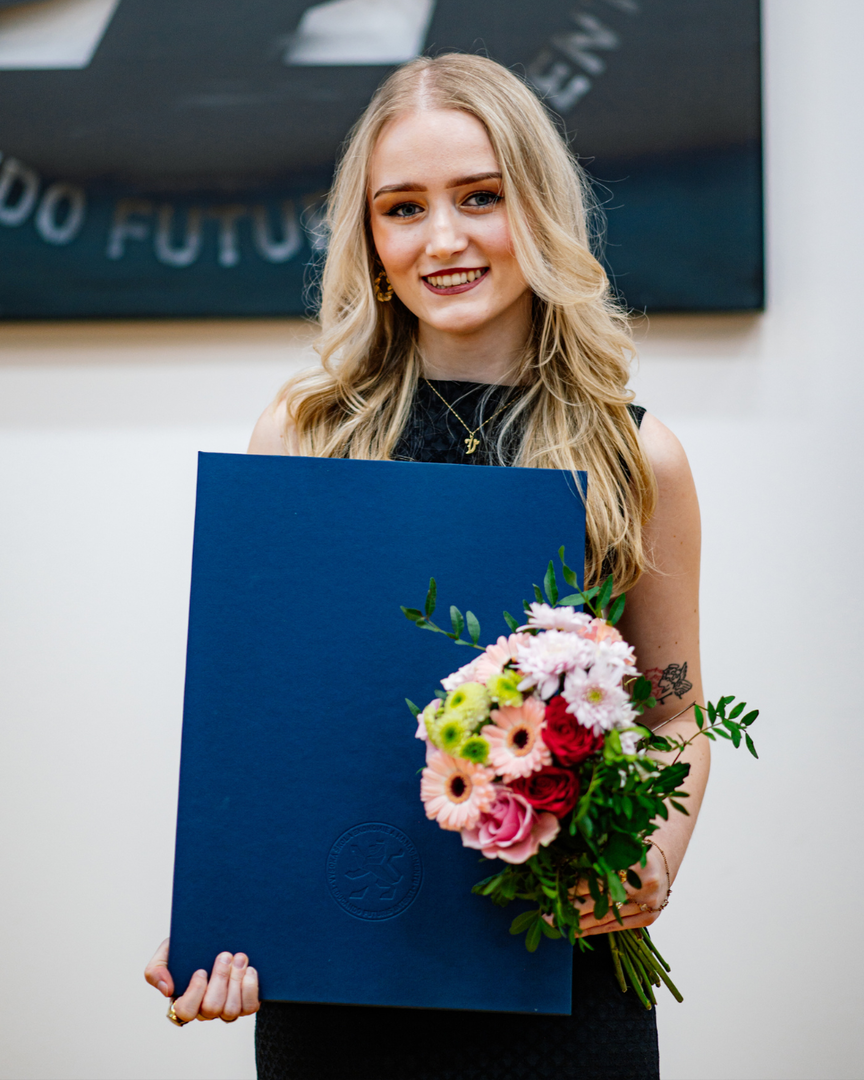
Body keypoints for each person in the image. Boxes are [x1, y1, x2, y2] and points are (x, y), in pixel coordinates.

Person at [145, 52, 706, 1079]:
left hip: (561, 987)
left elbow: (675, 714)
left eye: (480, 197)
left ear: (537, 206)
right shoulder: (301, 437)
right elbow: (271, 735)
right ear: (369, 236)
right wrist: (229, 910)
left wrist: (653, 859)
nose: (442, 239)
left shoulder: (635, 458)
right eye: (403, 208)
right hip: (341, 998)